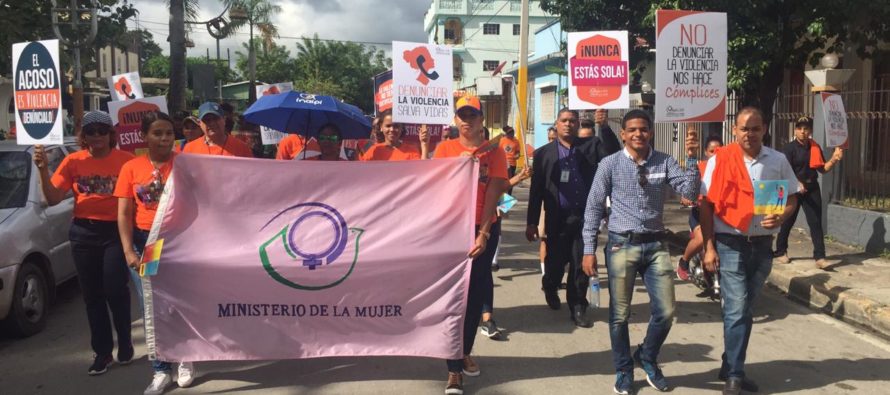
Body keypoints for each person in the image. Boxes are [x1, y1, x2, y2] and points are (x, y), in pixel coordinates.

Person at [581, 109, 700, 394]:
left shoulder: (665, 161)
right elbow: (594, 207)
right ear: (623, 134)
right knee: (619, 315)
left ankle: (646, 356)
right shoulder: (608, 164)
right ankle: (623, 370)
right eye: (632, 129)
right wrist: (589, 249)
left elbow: (690, 194)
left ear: (650, 132)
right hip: (622, 244)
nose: (638, 134)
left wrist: (693, 159)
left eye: (643, 129)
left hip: (656, 245)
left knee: (667, 311)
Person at [699, 107, 799, 395]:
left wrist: (781, 217)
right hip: (730, 242)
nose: (749, 134)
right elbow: (706, 203)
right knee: (737, 310)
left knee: (746, 310)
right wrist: (708, 246)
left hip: (763, 246)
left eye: (755, 128)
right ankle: (734, 374)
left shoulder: (777, 160)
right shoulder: (721, 159)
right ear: (735, 130)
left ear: (764, 129)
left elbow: (791, 197)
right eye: (744, 128)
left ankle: (729, 362)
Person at [33, 111, 135, 375]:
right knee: (92, 297)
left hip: (115, 232)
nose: (97, 136)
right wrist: (44, 170)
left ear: (111, 134)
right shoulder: (72, 161)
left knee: (115, 289)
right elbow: (54, 198)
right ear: (84, 136)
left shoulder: (126, 161)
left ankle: (125, 340)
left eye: (103, 130)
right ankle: (102, 352)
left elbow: (141, 197)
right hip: (83, 233)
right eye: (92, 131)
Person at [433, 96, 508, 395]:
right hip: (451, 228)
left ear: (481, 120)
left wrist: (485, 233)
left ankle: (463, 350)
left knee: (475, 295)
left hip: (481, 228)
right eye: (461, 115)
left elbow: (494, 193)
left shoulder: (495, 151)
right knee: (453, 297)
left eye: (472, 115)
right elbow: (433, 188)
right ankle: (453, 369)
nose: (467, 120)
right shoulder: (445, 149)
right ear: (455, 120)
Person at [114, 111, 193, 395]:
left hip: (177, 242)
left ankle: (186, 358)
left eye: (169, 133)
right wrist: (128, 251)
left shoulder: (185, 165)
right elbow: (124, 213)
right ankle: (161, 370)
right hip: (146, 244)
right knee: (152, 307)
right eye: (158, 133)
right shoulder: (131, 168)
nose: (164, 138)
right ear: (144, 136)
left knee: (179, 304)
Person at [525, 108, 618, 328]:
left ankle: (578, 306)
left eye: (572, 121)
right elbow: (536, 190)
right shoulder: (543, 154)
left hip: (586, 217)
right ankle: (550, 285)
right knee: (556, 263)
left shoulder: (591, 146)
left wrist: (604, 127)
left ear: (577, 125)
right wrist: (531, 222)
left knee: (580, 263)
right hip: (557, 218)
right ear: (556, 124)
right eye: (564, 120)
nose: (568, 124)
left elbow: (615, 155)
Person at [774, 116, 844, 269]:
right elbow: (785, 171)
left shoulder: (815, 147)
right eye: (800, 128)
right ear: (795, 130)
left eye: (806, 129)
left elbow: (822, 169)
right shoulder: (789, 149)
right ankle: (780, 251)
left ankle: (820, 257)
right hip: (794, 189)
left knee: (815, 223)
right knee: (788, 220)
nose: (803, 132)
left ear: (810, 131)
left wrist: (834, 159)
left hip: (811, 188)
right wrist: (797, 183)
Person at [677, 135, 723, 283]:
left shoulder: (728, 167)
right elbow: (689, 185)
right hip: (700, 213)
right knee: (703, 237)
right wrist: (687, 197)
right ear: (705, 152)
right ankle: (684, 262)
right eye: (711, 151)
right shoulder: (700, 167)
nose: (715, 154)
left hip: (722, 214)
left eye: (719, 151)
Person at [182, 102, 253, 158]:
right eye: (207, 120)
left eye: (215, 118)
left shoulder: (241, 148)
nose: (212, 123)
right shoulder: (189, 149)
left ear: (224, 120)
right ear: (200, 123)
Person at [360, 110, 427, 161]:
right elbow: (361, 170)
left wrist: (424, 145)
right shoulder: (375, 150)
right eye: (388, 126)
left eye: (396, 126)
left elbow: (422, 172)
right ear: (381, 127)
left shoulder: (411, 150)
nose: (392, 129)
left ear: (402, 128)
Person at [498, 125, 521, 195]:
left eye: (512, 132)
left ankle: (509, 195)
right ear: (506, 134)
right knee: (503, 181)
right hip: (503, 164)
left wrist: (517, 156)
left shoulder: (516, 141)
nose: (511, 134)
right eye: (510, 133)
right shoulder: (502, 140)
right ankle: (502, 194)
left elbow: (518, 152)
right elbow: (497, 151)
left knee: (511, 181)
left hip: (512, 164)